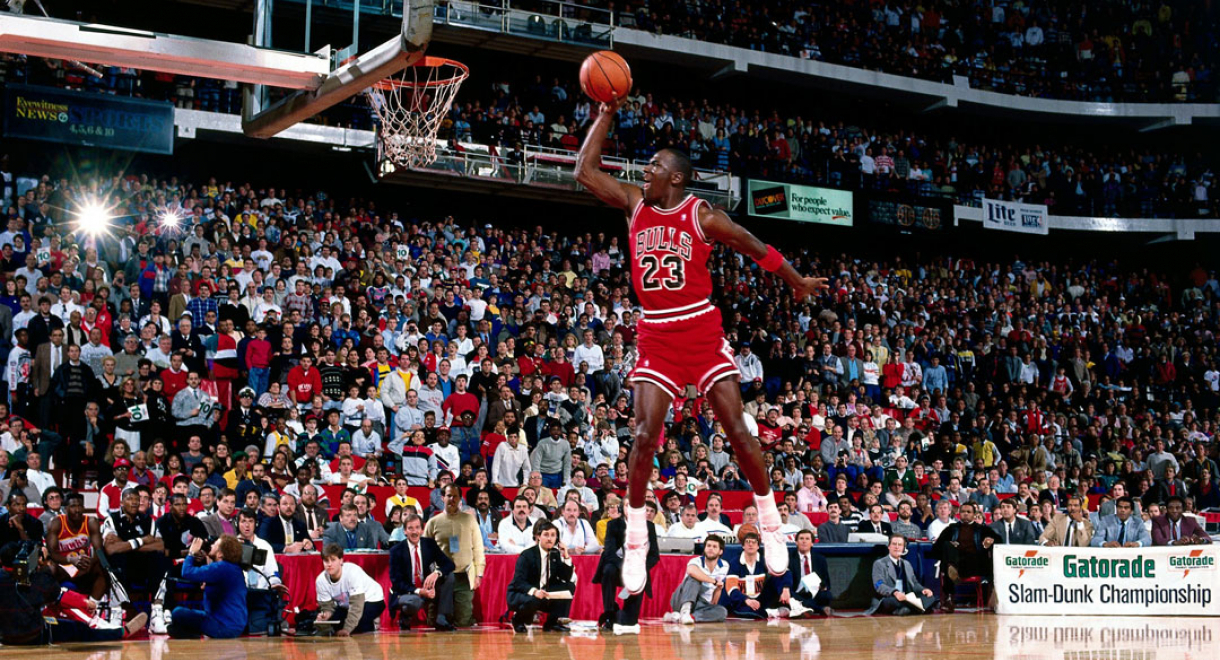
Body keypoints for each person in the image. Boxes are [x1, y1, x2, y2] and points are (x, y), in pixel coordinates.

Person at [576, 109, 826, 592]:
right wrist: (605, 112)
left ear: (675, 177)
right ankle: (635, 535)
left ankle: (770, 520)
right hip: (657, 334)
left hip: (700, 330)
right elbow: (585, 171)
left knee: (738, 431)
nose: (644, 171)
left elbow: (754, 246)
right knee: (644, 435)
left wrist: (796, 281)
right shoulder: (634, 204)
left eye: (653, 166)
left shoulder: (703, 216)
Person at [0, 541, 147, 644]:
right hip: (35, 636)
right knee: (77, 628)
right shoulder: (38, 579)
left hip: (5, 637)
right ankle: (120, 632)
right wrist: (43, 564)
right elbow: (58, 595)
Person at [423, 484, 484, 627]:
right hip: (441, 577)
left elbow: (478, 548)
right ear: (442, 498)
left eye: (455, 496)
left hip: (464, 575)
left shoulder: (470, 520)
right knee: (434, 623)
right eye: (449, 496)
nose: (452, 499)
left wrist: (479, 574)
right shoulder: (433, 522)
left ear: (460, 499)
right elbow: (425, 552)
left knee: (463, 622)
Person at [593, 502, 658, 634]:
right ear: (622, 508)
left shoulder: (649, 526)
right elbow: (609, 553)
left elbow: (654, 556)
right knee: (608, 569)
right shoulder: (613, 524)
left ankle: (619, 615)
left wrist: (640, 568)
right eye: (628, 505)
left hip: (637, 571)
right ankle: (609, 613)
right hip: (617, 568)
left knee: (629, 622)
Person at [169, 535, 248, 638]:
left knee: (178, 613)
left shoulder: (221, 567)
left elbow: (187, 572)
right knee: (178, 624)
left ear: (220, 554)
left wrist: (191, 553)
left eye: (215, 544)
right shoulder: (233, 568)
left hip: (224, 627)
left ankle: (193, 635)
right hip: (233, 625)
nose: (211, 545)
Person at [506, 520, 575, 633]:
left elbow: (565, 577)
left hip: (543, 591)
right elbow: (519, 582)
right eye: (546, 535)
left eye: (553, 535)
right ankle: (518, 619)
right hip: (523, 593)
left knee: (569, 586)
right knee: (535, 599)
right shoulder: (527, 555)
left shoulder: (555, 553)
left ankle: (552, 622)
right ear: (538, 536)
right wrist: (534, 591)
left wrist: (566, 555)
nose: (550, 539)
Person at [389, 514, 456, 631]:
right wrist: (419, 591)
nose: (414, 532)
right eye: (410, 528)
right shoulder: (396, 550)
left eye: (417, 527)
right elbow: (397, 582)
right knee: (414, 601)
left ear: (422, 530)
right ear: (405, 531)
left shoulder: (429, 544)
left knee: (449, 576)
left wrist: (436, 573)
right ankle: (405, 618)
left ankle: (441, 618)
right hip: (407, 592)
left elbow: (450, 564)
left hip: (427, 585)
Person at [930, 501, 999, 612]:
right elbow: (935, 549)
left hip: (975, 564)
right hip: (957, 563)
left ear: (974, 514)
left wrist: (990, 542)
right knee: (947, 546)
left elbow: (999, 541)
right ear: (959, 514)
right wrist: (950, 546)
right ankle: (949, 595)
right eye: (963, 511)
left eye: (968, 512)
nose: (965, 514)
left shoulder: (982, 529)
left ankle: (951, 588)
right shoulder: (951, 528)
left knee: (950, 564)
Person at [46, 492, 108, 600]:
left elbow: (99, 550)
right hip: (63, 565)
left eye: (80, 506)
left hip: (83, 564)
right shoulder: (56, 523)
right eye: (73, 506)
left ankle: (93, 604)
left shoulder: (91, 522)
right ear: (66, 509)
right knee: (51, 568)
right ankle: (51, 603)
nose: (77, 510)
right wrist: (70, 560)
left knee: (102, 568)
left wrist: (90, 563)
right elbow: (52, 553)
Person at [315, 544, 386, 636]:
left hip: (372, 599)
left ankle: (373, 623)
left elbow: (357, 605)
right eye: (326, 561)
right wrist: (326, 614)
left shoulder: (352, 573)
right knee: (335, 624)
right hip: (347, 605)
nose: (329, 564)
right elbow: (327, 607)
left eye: (333, 560)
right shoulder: (321, 580)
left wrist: (347, 629)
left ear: (341, 561)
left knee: (357, 627)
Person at [865, 535, 937, 616]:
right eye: (894, 544)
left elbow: (914, 583)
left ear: (903, 548)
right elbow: (879, 585)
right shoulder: (879, 563)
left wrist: (923, 590)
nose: (897, 547)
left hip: (906, 597)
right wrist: (895, 592)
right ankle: (917, 609)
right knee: (894, 602)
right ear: (889, 547)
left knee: (931, 597)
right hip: (889, 597)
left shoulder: (907, 564)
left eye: (900, 545)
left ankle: (907, 610)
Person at [667, 533, 729, 624]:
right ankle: (684, 612)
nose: (711, 548)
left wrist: (719, 589)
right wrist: (714, 581)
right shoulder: (696, 561)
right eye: (708, 546)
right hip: (682, 598)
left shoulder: (724, 566)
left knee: (722, 612)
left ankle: (686, 617)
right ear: (704, 548)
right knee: (694, 578)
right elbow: (691, 571)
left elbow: (714, 601)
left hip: (702, 604)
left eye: (714, 547)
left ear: (720, 551)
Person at [782, 530, 834, 617]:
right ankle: (820, 609)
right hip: (796, 593)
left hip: (814, 593)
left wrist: (823, 586)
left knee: (827, 595)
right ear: (796, 542)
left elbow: (826, 582)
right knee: (789, 595)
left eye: (807, 539)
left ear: (812, 543)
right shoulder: (789, 559)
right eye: (801, 538)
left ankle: (805, 608)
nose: (804, 541)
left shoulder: (820, 559)